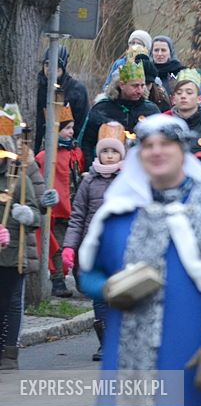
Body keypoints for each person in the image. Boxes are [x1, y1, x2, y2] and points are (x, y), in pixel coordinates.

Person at [78, 114, 201, 406]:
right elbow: (88, 274)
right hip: (130, 358)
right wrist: (107, 289)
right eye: (148, 145)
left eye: (166, 143)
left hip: (195, 354)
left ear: (182, 150)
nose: (157, 151)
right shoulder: (119, 212)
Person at [62, 122, 126, 362]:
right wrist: (70, 246)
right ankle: (105, 343)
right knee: (99, 296)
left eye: (114, 152)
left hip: (120, 248)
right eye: (105, 152)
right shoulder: (89, 181)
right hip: (94, 247)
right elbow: (78, 216)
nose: (109, 156)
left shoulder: (128, 180)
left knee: (119, 294)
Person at [0, 121, 41, 371]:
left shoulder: (18, 178)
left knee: (11, 302)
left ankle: (9, 352)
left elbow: (37, 214)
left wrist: (26, 214)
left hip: (13, 252)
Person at [34, 105, 85, 298]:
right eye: (67, 128)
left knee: (78, 246)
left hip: (75, 208)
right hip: (58, 211)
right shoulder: (44, 156)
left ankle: (81, 278)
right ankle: (57, 280)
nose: (71, 132)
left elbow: (77, 175)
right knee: (58, 248)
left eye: (72, 128)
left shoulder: (75, 153)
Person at [79, 51, 161, 165]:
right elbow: (87, 142)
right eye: (135, 86)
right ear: (122, 85)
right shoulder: (102, 108)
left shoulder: (151, 110)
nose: (140, 90)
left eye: (142, 85)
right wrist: (90, 169)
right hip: (105, 171)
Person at [35, 45, 89, 153]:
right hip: (37, 145)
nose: (50, 69)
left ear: (62, 67)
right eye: (47, 64)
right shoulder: (35, 87)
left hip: (66, 147)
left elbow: (80, 125)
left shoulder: (77, 90)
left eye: (55, 65)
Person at [166, 69, 201, 152]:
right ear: (173, 99)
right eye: (179, 93)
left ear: (199, 99)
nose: (183, 96)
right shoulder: (165, 127)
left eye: (189, 92)